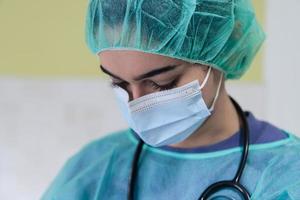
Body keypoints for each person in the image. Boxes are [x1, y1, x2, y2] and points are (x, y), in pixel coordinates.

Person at [42, 0, 300, 199]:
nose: (137, 105)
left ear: (222, 48)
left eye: (161, 83)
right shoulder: (92, 168)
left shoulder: (286, 175)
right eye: (119, 83)